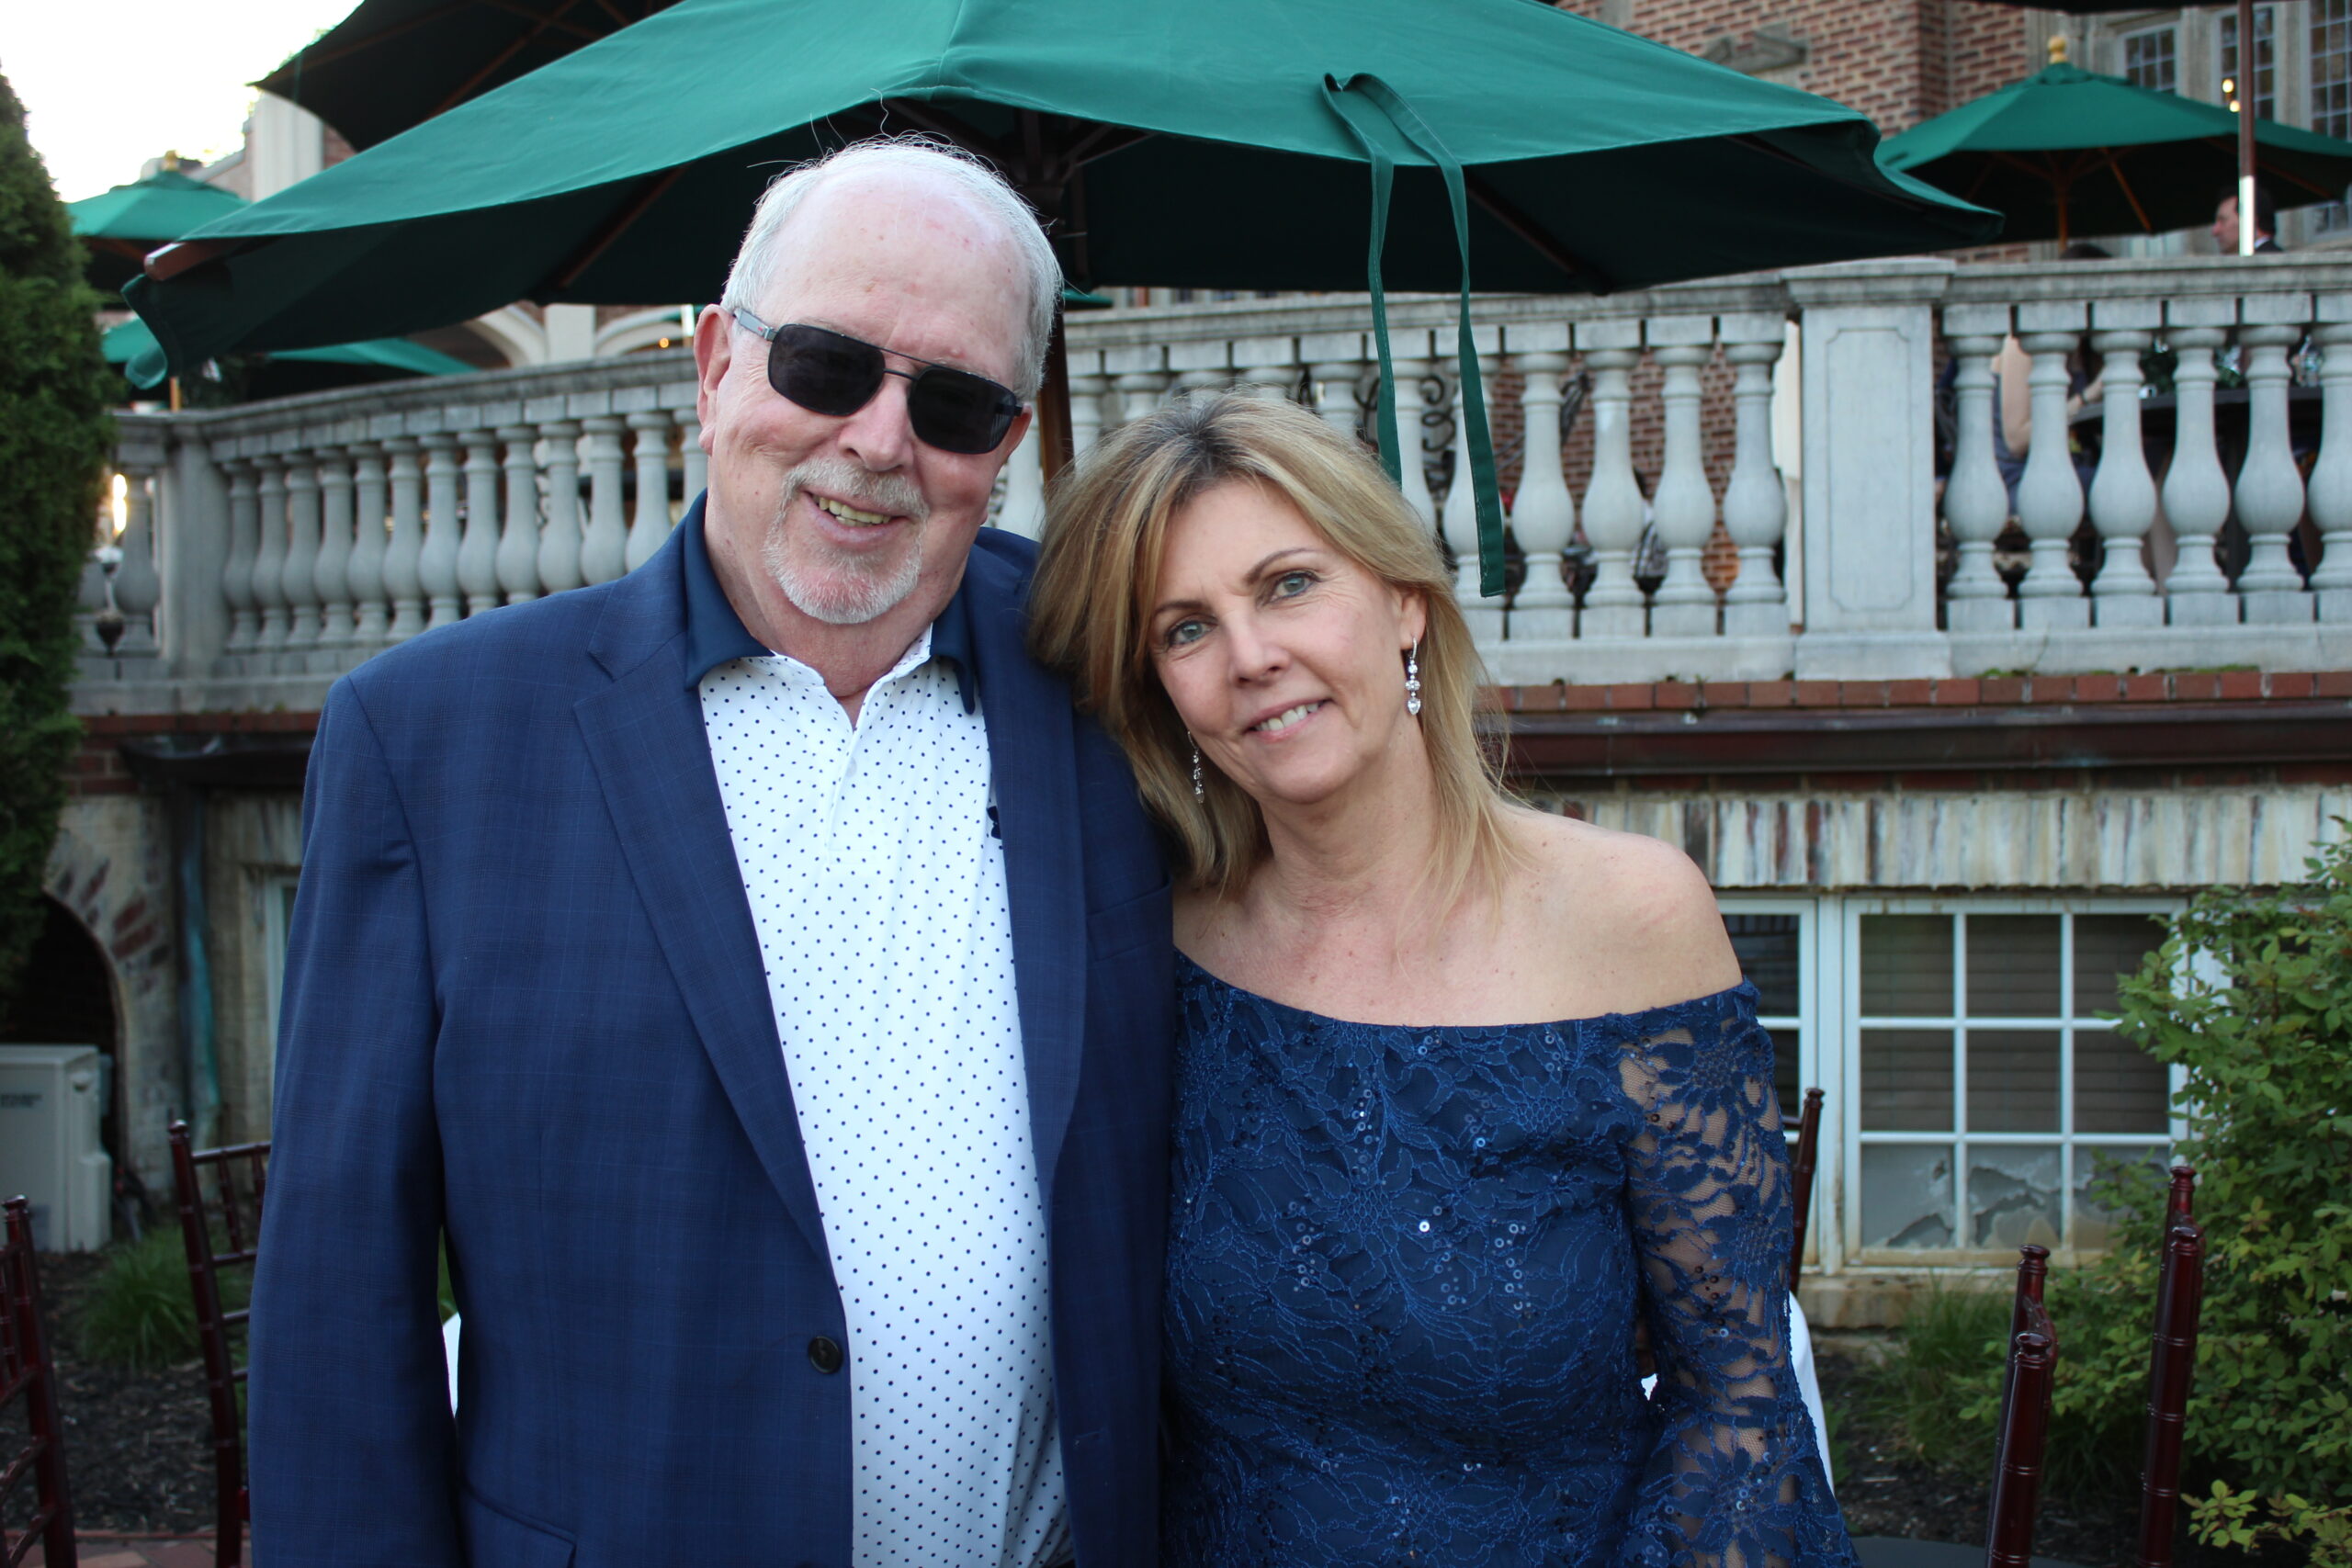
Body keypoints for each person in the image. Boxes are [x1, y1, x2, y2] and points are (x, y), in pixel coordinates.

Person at [249, 138, 1175, 1567]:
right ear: (713, 365)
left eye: (955, 401)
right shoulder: (432, 740)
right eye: (825, 365)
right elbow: (338, 1305)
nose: (880, 440)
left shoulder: (1114, 675)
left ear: (1006, 443)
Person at [1031, 392, 1853, 1565]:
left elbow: (1738, 1401)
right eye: (1186, 629)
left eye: (1288, 585)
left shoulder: (1628, 920)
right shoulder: (1159, 950)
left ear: (1404, 601)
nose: (1251, 657)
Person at [2212, 182, 2282, 253]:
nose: (2215, 231)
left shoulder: (2267, 258)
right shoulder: (2272, 255)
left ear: (2249, 220)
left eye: (2223, 220)